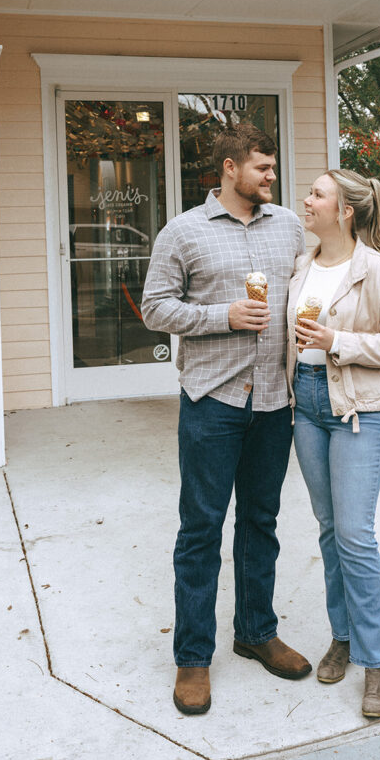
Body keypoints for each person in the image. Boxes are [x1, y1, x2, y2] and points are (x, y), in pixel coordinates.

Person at [142, 123, 311, 716]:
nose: (271, 176)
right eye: (262, 167)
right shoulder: (182, 232)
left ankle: (255, 632)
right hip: (212, 402)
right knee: (200, 531)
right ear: (230, 168)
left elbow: (321, 278)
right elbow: (155, 307)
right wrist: (225, 316)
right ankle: (193, 656)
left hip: (274, 402)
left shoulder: (290, 226)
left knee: (261, 522)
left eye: (272, 168)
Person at [287, 168, 380, 719]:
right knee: (327, 529)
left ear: (344, 210)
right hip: (308, 406)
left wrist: (336, 340)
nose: (306, 200)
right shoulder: (301, 265)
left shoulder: (378, 271)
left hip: (361, 409)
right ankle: (341, 636)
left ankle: (377, 661)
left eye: (317, 194)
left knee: (355, 535)